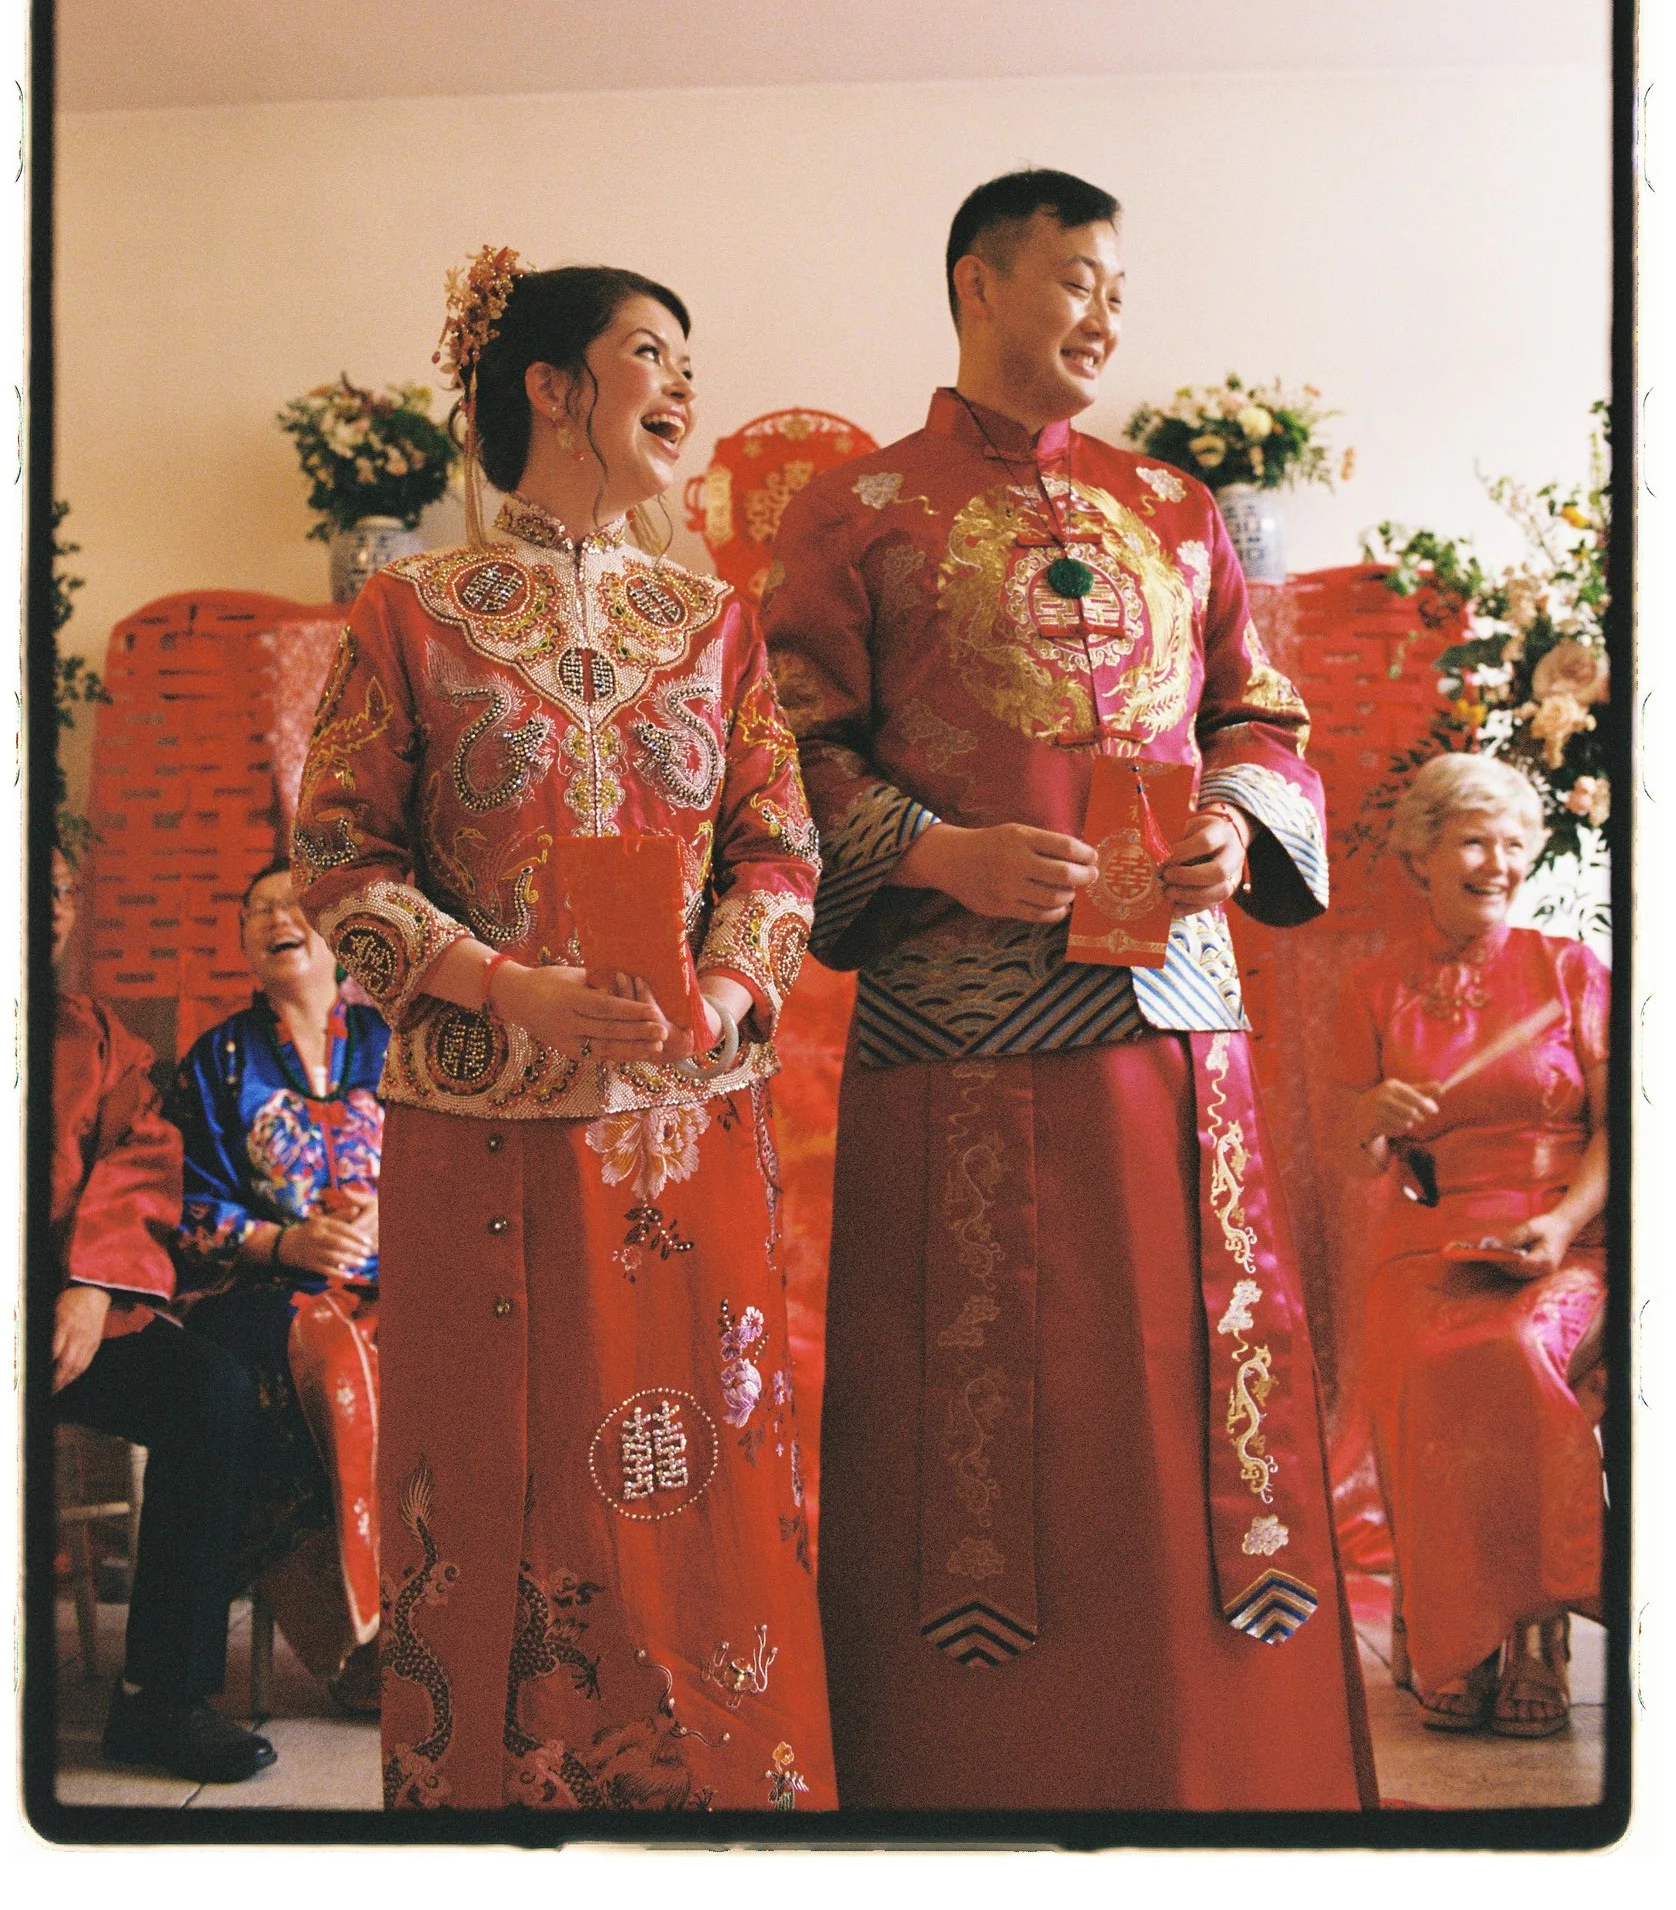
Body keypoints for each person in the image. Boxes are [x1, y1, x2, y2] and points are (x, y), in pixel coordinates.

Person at [762, 167, 1377, 1812]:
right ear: (980, 281)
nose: (1106, 315)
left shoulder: (1174, 507)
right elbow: (788, 749)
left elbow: (1259, 716)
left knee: (1195, 1407)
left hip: (1178, 1034)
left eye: (1119, 289)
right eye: (1078, 280)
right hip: (959, 1044)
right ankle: (971, 1782)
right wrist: (940, 854)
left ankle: (1236, 1776)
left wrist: (1235, 826)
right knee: (997, 1420)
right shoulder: (855, 509)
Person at [291, 252, 835, 1813]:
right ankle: (495, 1803)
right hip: (482, 1137)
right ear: (550, 385)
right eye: (651, 354)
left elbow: (780, 850)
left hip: (684, 1130)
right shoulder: (411, 612)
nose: (684, 388)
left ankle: (716, 1791)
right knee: (496, 1471)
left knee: (694, 1466)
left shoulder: (714, 625)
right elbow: (337, 859)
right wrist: (499, 985)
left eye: (687, 361)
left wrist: (723, 991)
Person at [1335, 752, 1607, 1737]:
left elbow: (1627, 1127)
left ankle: (1533, 1628)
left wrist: (1560, 1224)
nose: (1497, 862)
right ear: (1421, 855)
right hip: (1434, 1246)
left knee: (1516, 1347)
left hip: (1568, 1236)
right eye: (1472, 841)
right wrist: (1369, 1117)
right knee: (1418, 1352)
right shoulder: (1372, 985)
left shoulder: (1569, 970)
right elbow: (1360, 1157)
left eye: (1512, 843)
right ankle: (1463, 1638)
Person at [48, 848, 275, 1784]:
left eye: (63, 890)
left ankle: (162, 1700)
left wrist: (93, 1284)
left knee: (210, 1392)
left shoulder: (94, 1035)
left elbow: (142, 1155)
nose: (50, 907)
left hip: (71, 1316)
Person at [172, 861, 386, 1712]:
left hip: (393, 1283)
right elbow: (184, 1203)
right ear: (243, 946)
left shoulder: (393, 1043)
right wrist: (284, 1242)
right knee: (334, 1357)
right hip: (261, 1294)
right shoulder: (218, 1059)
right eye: (256, 909)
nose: (275, 917)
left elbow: (454, 1166)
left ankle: (451, 1622)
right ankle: (366, 1639)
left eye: (295, 904)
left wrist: (393, 1214)